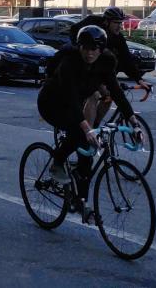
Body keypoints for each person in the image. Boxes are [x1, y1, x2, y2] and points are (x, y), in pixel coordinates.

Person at [38, 26, 128, 202]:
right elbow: (70, 98)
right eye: (85, 48)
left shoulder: (105, 62)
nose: (89, 53)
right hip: (52, 103)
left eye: (94, 49)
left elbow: (116, 92)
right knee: (79, 131)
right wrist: (87, 128)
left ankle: (83, 205)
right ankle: (57, 163)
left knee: (86, 159)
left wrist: (133, 122)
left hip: (74, 103)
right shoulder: (69, 62)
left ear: (101, 50)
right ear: (79, 47)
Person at [71, 7, 150, 127]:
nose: (120, 27)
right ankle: (87, 132)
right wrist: (78, 48)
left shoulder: (118, 38)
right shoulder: (93, 24)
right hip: (85, 69)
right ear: (106, 22)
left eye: (121, 23)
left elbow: (127, 59)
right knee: (94, 95)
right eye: (116, 23)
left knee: (109, 96)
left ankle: (95, 126)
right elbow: (74, 30)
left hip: (102, 72)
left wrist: (139, 79)